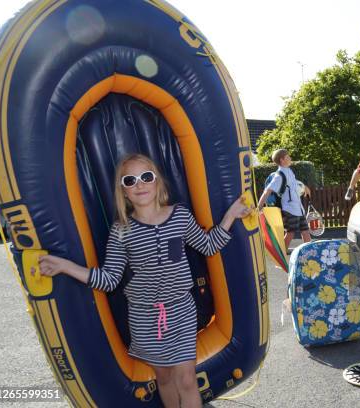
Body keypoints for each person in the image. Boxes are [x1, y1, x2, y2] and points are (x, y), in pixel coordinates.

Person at [33, 154, 251, 408]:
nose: (140, 184)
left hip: (181, 310)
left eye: (146, 177)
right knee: (166, 378)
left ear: (157, 182)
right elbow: (109, 280)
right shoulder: (122, 231)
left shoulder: (179, 216)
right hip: (145, 319)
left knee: (188, 380)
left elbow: (208, 245)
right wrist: (65, 266)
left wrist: (231, 215)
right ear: (123, 192)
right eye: (130, 180)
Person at [257, 149, 311, 250]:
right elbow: (267, 191)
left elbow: (294, 183)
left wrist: (305, 187)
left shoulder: (289, 171)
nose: (290, 158)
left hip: (298, 208)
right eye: (288, 157)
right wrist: (259, 207)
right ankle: (281, 259)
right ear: (282, 160)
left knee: (305, 231)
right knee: (290, 233)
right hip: (289, 209)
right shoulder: (279, 176)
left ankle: (310, 254)